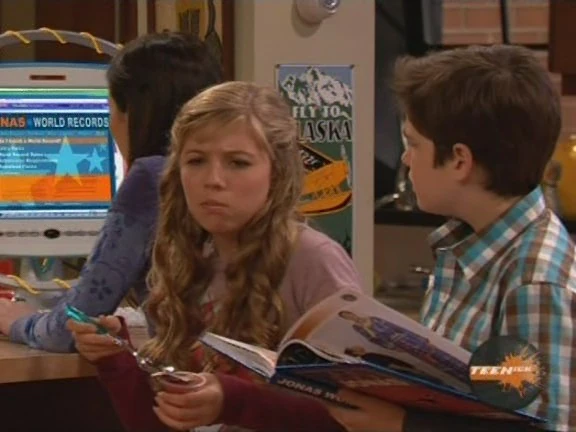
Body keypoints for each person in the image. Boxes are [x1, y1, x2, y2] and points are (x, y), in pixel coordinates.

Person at [68, 81, 362, 432]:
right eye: (196, 161)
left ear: (277, 172)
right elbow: (162, 423)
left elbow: (357, 415)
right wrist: (115, 358)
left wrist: (232, 402)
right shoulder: (187, 261)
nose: (214, 180)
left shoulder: (313, 259)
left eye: (238, 163)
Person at [325, 44, 575, 431]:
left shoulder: (533, 281)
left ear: (460, 160)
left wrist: (404, 425)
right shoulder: (466, 248)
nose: (406, 159)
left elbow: (540, 426)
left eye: (413, 144)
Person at [0, 31, 222, 352]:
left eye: (111, 108)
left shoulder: (152, 178)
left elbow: (72, 323)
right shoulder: (229, 176)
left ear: (131, 113)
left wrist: (18, 321)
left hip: (194, 375)